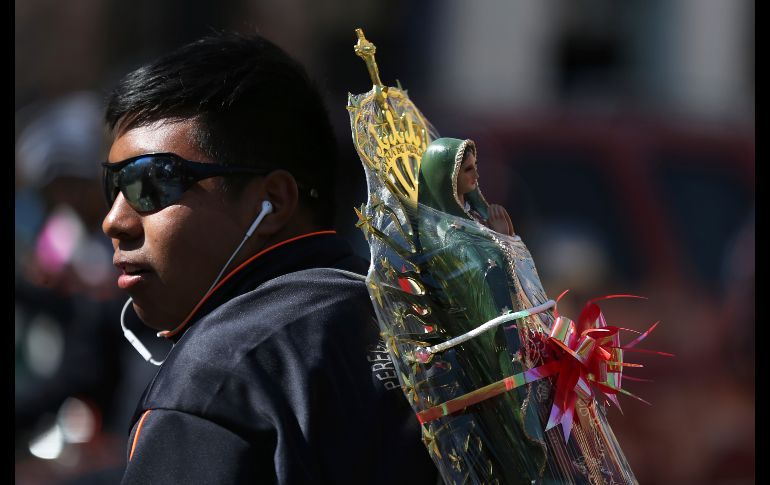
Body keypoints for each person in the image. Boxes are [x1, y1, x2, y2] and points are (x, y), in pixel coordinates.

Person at [101, 31, 437, 484]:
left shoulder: (219, 379)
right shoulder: (404, 315)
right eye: (114, 186)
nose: (114, 220)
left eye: (150, 183)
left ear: (274, 201)